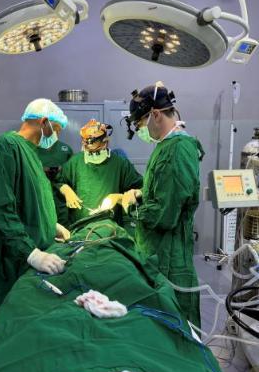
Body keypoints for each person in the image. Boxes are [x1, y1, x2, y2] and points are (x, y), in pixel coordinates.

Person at [0, 98, 70, 315]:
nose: (56, 138)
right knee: (7, 322)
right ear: (44, 122)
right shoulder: (5, 148)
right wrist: (32, 254)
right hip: (10, 262)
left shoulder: (32, 154)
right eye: (55, 130)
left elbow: (30, 201)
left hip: (26, 259)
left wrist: (50, 224)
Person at [122, 82, 204, 327]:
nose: (140, 130)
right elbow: (164, 191)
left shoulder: (177, 150)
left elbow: (164, 214)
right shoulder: (166, 146)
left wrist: (130, 206)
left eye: (140, 124)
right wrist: (141, 193)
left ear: (155, 114)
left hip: (169, 259)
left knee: (173, 323)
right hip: (159, 251)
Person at [57, 119, 143, 227]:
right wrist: (64, 188)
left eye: (96, 152)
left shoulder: (120, 164)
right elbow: (56, 183)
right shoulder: (74, 163)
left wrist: (119, 197)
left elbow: (142, 190)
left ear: (106, 141)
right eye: (89, 152)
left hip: (111, 229)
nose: (92, 155)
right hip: (79, 229)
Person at [37, 123, 73, 227]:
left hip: (61, 201)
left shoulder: (65, 150)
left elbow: (71, 175)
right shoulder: (33, 149)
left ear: (58, 132)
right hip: (40, 199)